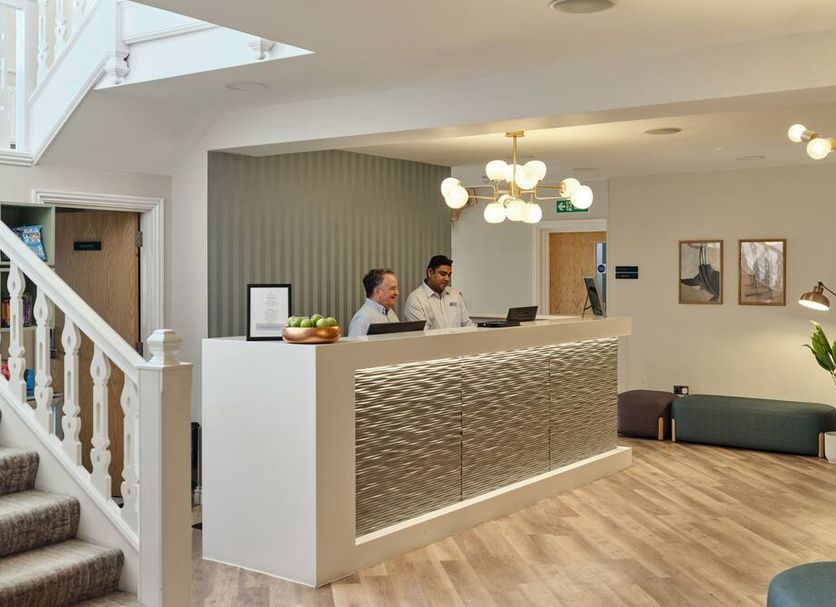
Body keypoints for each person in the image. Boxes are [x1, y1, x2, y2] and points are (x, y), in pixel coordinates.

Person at [404, 255, 473, 330]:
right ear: (430, 272)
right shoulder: (416, 299)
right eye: (443, 274)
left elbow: (468, 325)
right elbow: (422, 334)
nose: (447, 279)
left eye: (449, 275)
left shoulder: (455, 295)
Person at [348, 268, 400, 337]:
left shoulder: (391, 313)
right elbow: (355, 344)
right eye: (392, 288)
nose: (397, 293)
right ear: (377, 291)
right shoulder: (362, 319)